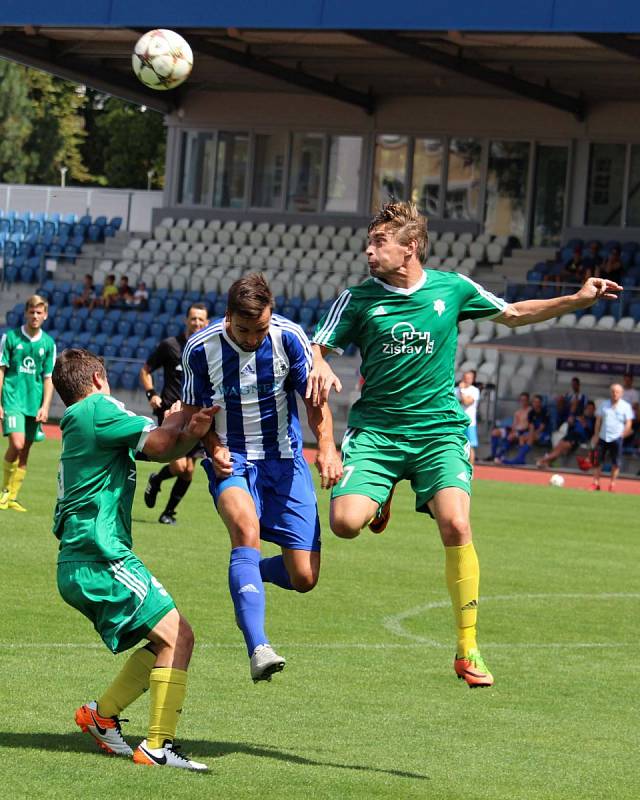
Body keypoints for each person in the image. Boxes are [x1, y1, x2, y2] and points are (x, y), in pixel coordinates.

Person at [306, 200, 623, 688]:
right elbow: (316, 347)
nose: (368, 251)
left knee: (456, 522)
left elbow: (513, 312)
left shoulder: (451, 288)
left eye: (379, 243)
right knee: (346, 524)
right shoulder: (357, 299)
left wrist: (576, 299)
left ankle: (468, 648)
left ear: (410, 247)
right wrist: (320, 360)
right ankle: (383, 490)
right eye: (368, 242)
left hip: (438, 432)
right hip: (379, 433)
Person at [52, 348, 216, 771]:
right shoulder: (98, 408)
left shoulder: (84, 420)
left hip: (82, 558)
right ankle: (157, 746)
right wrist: (182, 417)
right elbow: (162, 440)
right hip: (99, 554)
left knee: (166, 638)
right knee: (179, 636)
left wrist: (188, 430)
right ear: (98, 378)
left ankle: (101, 716)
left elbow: (160, 452)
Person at [182, 274, 342, 682]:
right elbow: (192, 413)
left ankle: (246, 574)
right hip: (232, 460)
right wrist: (212, 446)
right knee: (245, 530)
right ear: (227, 317)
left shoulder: (289, 337)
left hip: (285, 462)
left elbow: (314, 400)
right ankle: (259, 646)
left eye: (260, 329)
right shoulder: (200, 349)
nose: (253, 338)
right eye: (244, 330)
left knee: (304, 577)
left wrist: (325, 447)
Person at [140, 304, 210, 525]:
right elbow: (145, 370)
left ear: (206, 323)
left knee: (188, 471)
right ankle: (157, 479)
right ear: (186, 320)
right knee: (179, 466)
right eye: (193, 318)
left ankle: (168, 512)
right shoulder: (170, 346)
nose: (196, 323)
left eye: (201, 319)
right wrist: (151, 393)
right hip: (172, 412)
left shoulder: (210, 350)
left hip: (197, 415)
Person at [0, 294, 56, 512]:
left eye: (39, 312)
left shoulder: (48, 343)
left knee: (26, 451)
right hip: (13, 399)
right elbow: (2, 370)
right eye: (31, 312)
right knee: (17, 444)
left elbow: (48, 377)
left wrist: (46, 406)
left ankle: (13, 496)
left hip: (34, 403)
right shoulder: (11, 338)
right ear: (25, 313)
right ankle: (4, 490)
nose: (35, 316)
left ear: (45, 315)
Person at [590, 383, 634, 492]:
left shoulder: (626, 406)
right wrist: (596, 435)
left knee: (616, 463)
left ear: (621, 393)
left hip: (617, 438)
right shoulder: (604, 404)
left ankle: (612, 484)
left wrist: (622, 434)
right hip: (603, 436)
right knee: (597, 461)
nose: (615, 394)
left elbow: (629, 423)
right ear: (610, 392)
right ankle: (596, 483)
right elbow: (598, 421)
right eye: (613, 391)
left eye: (617, 392)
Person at [536, 400, 596, 468]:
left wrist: (585, 426)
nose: (589, 410)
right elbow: (570, 428)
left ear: (594, 410)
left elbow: (591, 434)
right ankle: (547, 462)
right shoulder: (579, 417)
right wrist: (571, 424)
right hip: (570, 435)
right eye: (588, 408)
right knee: (558, 447)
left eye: (591, 409)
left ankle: (542, 460)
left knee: (561, 449)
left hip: (578, 438)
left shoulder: (594, 420)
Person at [500, 393, 550, 465]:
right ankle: (520, 458)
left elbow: (542, 427)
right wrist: (531, 434)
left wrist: (533, 434)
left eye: (537, 402)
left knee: (530, 437)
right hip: (534, 433)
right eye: (534, 402)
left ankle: (519, 459)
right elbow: (531, 426)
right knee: (522, 437)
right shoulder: (531, 413)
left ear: (540, 403)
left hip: (544, 434)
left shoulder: (545, 412)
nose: (535, 404)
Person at [488, 392, 530, 461]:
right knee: (495, 432)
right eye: (521, 400)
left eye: (524, 400)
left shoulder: (530, 411)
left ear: (528, 401)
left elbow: (528, 426)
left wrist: (515, 432)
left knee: (511, 436)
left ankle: (499, 455)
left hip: (523, 432)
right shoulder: (518, 412)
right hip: (515, 430)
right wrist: (512, 430)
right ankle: (493, 455)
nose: (523, 402)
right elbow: (514, 424)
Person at [455, 369, 480, 465]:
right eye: (465, 378)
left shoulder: (475, 390)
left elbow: (467, 402)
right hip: (458, 422)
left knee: (470, 446)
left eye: (469, 378)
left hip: (470, 423)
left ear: (473, 379)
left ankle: (471, 469)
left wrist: (461, 391)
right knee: (457, 445)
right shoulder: (455, 390)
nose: (467, 380)